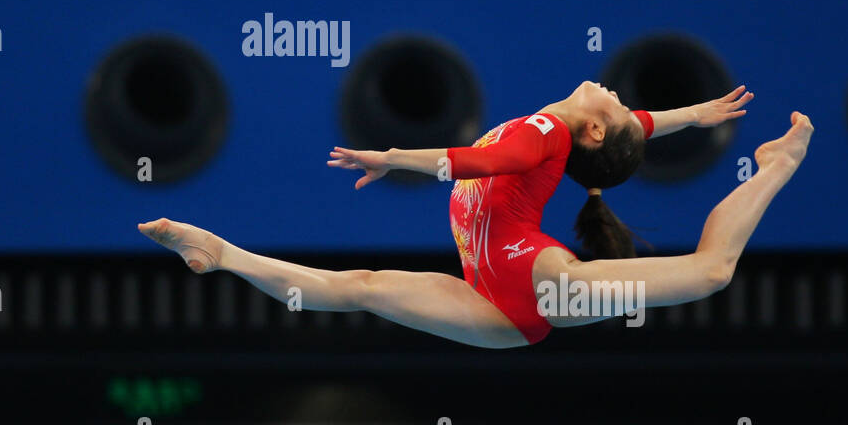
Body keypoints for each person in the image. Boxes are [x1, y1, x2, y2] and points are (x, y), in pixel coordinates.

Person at [138, 82, 812, 349]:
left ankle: (779, 165)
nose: (615, 93)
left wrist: (394, 156)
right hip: (495, 307)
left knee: (713, 271)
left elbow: (483, 164)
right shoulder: (581, 130)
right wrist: (691, 115)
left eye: (616, 107)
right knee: (361, 288)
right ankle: (218, 252)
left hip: (540, 288)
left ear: (596, 134)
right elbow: (636, 125)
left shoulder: (548, 133)